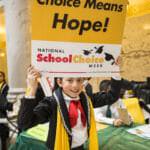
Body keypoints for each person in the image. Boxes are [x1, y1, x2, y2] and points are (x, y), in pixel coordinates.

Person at [18, 66, 122, 150]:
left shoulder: (86, 99)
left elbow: (112, 96)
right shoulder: (52, 102)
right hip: (60, 146)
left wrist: (116, 73)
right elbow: (25, 123)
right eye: (70, 80)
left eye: (79, 80)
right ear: (60, 82)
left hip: (81, 146)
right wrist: (31, 89)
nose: (75, 85)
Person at [0, 71, 9, 150]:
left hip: (3, 110)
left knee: (3, 129)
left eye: (0, 76)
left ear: (3, 77)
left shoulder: (6, 86)